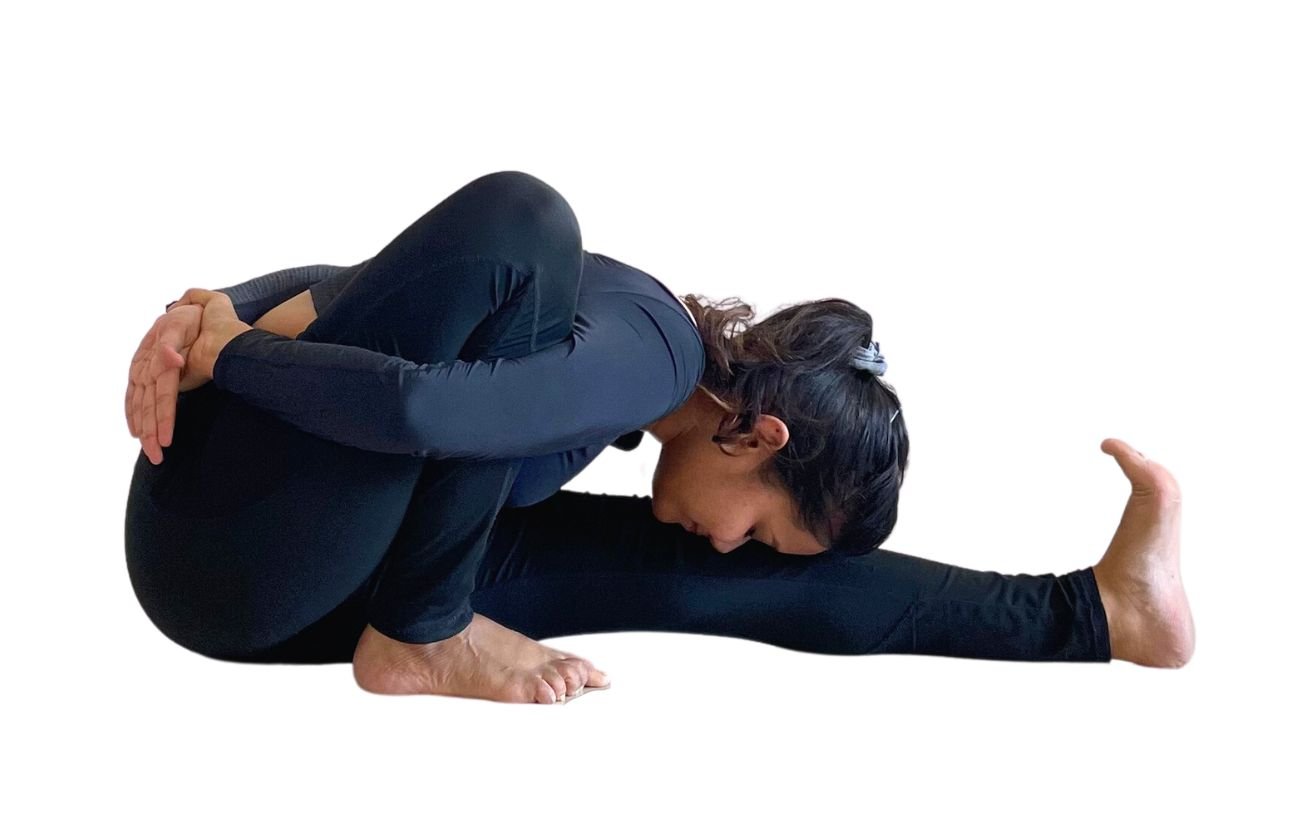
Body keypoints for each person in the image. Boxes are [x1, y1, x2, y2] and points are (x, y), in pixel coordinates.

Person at [123, 170, 1195, 706]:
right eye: (764, 529)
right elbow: (419, 409)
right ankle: (422, 627)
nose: (730, 545)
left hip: (281, 578)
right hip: (235, 547)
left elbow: (362, 288)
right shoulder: (656, 354)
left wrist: (224, 304)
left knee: (717, 588)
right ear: (758, 435)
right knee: (525, 215)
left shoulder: (616, 366)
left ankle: (1100, 613)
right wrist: (227, 346)